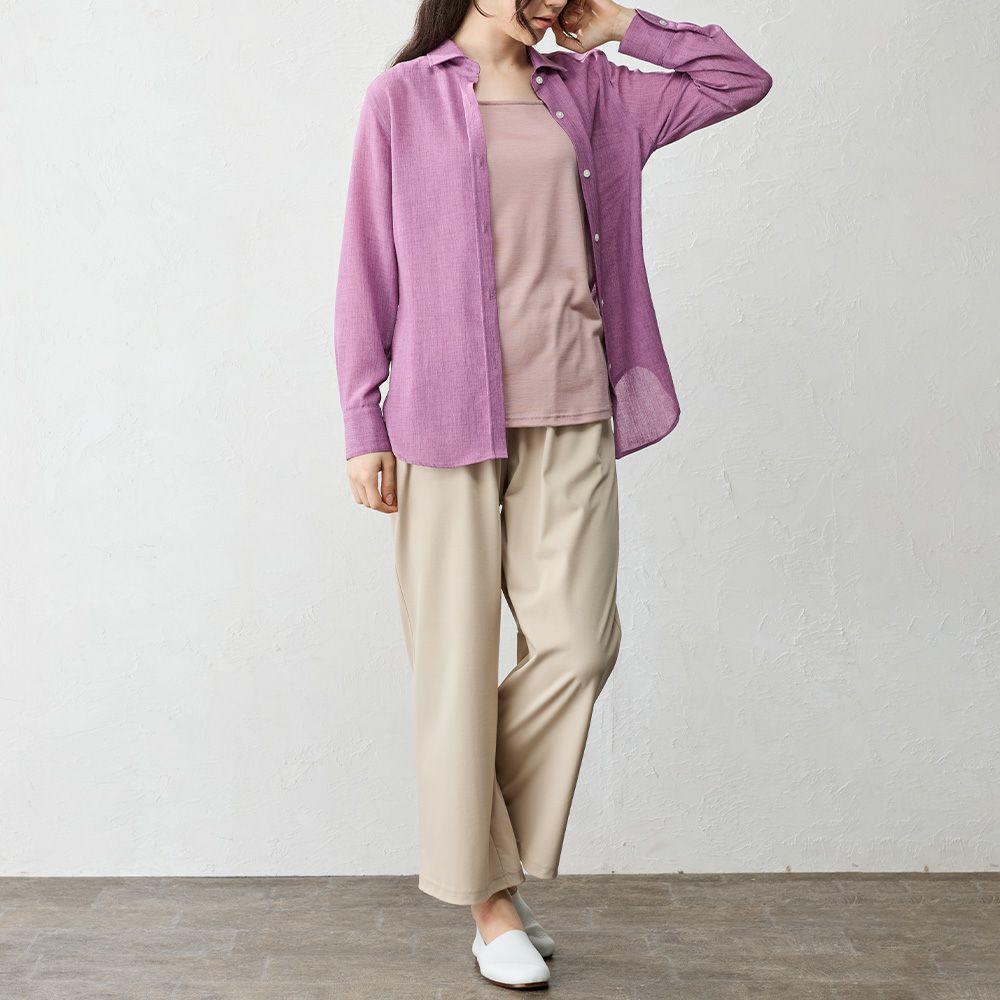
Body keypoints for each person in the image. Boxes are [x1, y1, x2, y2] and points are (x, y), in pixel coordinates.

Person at [333, 0, 771, 988]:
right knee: (454, 665)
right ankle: (491, 908)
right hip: (442, 417)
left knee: (578, 644)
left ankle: (473, 844)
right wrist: (362, 419)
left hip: (572, 405)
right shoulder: (402, 98)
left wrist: (625, 27)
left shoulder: (595, 92)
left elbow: (737, 81)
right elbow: (366, 263)